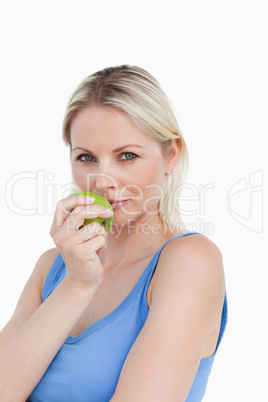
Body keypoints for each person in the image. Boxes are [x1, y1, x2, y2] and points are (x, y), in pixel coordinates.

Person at [0, 65, 227, 401]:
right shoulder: (53, 267)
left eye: (127, 156)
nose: (102, 180)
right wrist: (76, 286)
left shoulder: (190, 263)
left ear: (171, 155)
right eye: (87, 157)